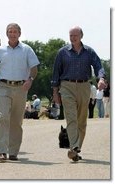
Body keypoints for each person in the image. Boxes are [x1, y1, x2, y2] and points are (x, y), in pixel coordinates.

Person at [51, 26, 106, 162]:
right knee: (71, 118)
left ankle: (76, 148)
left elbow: (98, 66)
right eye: (71, 35)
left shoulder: (89, 52)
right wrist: (55, 92)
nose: (73, 38)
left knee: (82, 120)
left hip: (84, 86)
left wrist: (101, 79)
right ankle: (73, 147)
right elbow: (55, 73)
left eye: (75, 35)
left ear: (81, 36)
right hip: (67, 86)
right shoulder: (62, 52)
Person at [0, 23, 39, 162]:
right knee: (3, 117)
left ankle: (13, 151)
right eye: (10, 31)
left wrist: (30, 80)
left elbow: (34, 68)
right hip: (4, 86)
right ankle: (2, 151)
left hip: (21, 88)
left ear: (19, 34)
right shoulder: (1, 50)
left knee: (16, 121)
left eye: (15, 31)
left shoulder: (27, 50)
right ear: (7, 34)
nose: (13, 34)